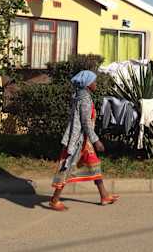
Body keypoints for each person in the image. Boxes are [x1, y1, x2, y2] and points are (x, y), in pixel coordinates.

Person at [50, 70, 119, 211]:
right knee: (66, 167)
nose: (96, 84)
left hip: (84, 141)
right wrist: (96, 141)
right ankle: (54, 200)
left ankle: (104, 195)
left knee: (94, 165)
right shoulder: (85, 100)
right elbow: (86, 123)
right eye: (94, 81)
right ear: (88, 84)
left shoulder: (80, 96)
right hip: (78, 140)